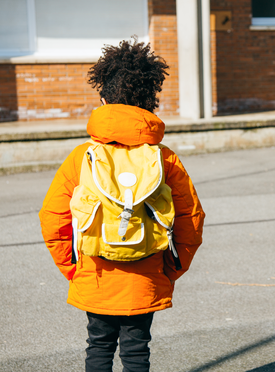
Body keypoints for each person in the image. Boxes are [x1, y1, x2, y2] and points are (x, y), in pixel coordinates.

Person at [39, 38, 205, 372]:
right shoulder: (165, 159)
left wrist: (72, 268)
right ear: (150, 103)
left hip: (95, 272)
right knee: (136, 350)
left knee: (98, 346)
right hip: (146, 273)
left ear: (103, 100)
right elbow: (191, 218)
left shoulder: (81, 157)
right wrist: (173, 266)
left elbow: (52, 217)